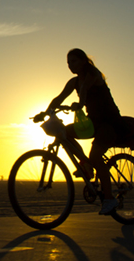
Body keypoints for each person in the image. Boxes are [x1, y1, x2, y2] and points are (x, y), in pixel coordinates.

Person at [35, 48, 124, 215]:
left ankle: (110, 199)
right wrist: (45, 113)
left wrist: (80, 104)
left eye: (73, 61)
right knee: (65, 133)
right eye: (68, 63)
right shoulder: (73, 82)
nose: (70, 66)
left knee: (96, 156)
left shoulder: (93, 74)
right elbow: (59, 98)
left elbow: (84, 90)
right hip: (93, 123)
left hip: (109, 123)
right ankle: (87, 166)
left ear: (84, 61)